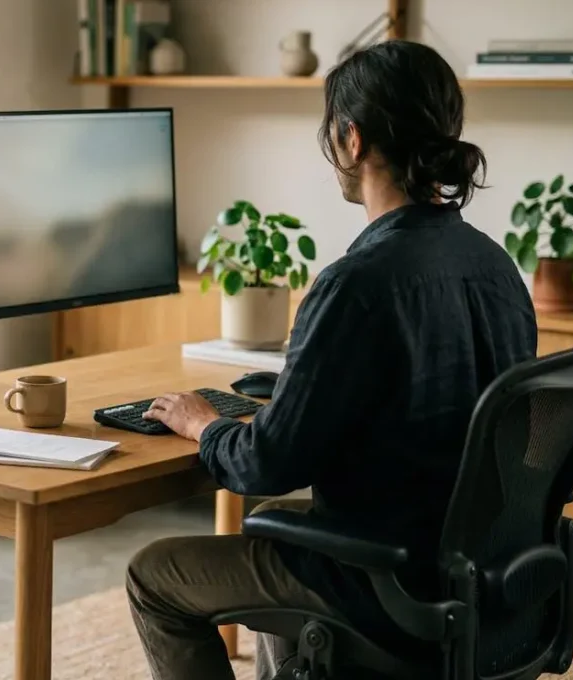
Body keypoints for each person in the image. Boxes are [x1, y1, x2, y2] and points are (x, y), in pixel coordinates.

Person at [127, 40, 538, 680]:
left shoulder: (356, 283)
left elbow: (268, 464)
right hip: (482, 570)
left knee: (154, 576)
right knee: (271, 525)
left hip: (389, 582)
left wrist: (205, 425)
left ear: (351, 139)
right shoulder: (495, 265)